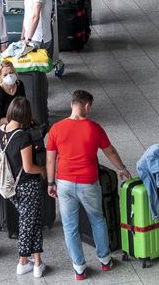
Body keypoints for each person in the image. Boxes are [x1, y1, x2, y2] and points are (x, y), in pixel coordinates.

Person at [46, 90, 133, 279]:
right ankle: (105, 260)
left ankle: (79, 268)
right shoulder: (94, 128)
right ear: (87, 106)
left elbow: (51, 160)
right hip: (88, 183)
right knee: (97, 220)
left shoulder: (56, 129)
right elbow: (109, 151)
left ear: (72, 104)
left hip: (64, 183)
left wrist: (51, 183)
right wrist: (121, 169)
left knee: (70, 227)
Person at [0, 96, 48, 278]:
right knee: (28, 224)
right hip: (27, 186)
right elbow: (29, 167)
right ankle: (22, 261)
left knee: (33, 222)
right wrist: (43, 170)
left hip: (10, 187)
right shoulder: (23, 137)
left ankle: (37, 263)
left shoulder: (0, 131)